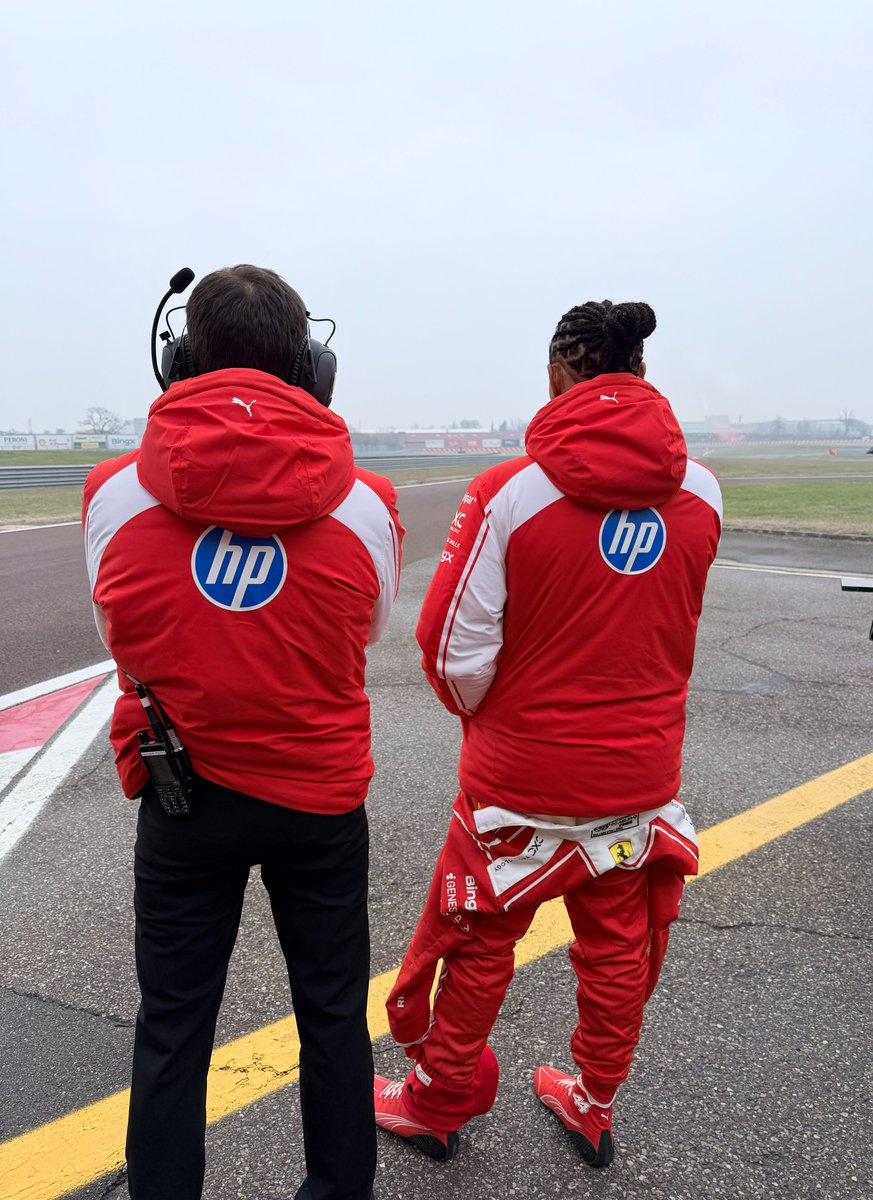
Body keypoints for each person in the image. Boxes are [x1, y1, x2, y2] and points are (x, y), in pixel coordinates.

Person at [373, 300, 721, 1169]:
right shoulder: (704, 492)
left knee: (481, 939)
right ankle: (595, 1101)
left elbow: (451, 651)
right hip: (639, 778)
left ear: (559, 374)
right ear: (641, 373)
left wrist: (494, 718)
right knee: (616, 945)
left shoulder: (507, 491)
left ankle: (439, 1101)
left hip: (520, 781)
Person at [82, 265, 403, 1200]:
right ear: (310, 370)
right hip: (321, 800)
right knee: (333, 1016)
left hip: (184, 797)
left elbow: (118, 633)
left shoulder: (112, 494)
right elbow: (369, 631)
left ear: (180, 362)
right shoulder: (368, 503)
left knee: (174, 1025)